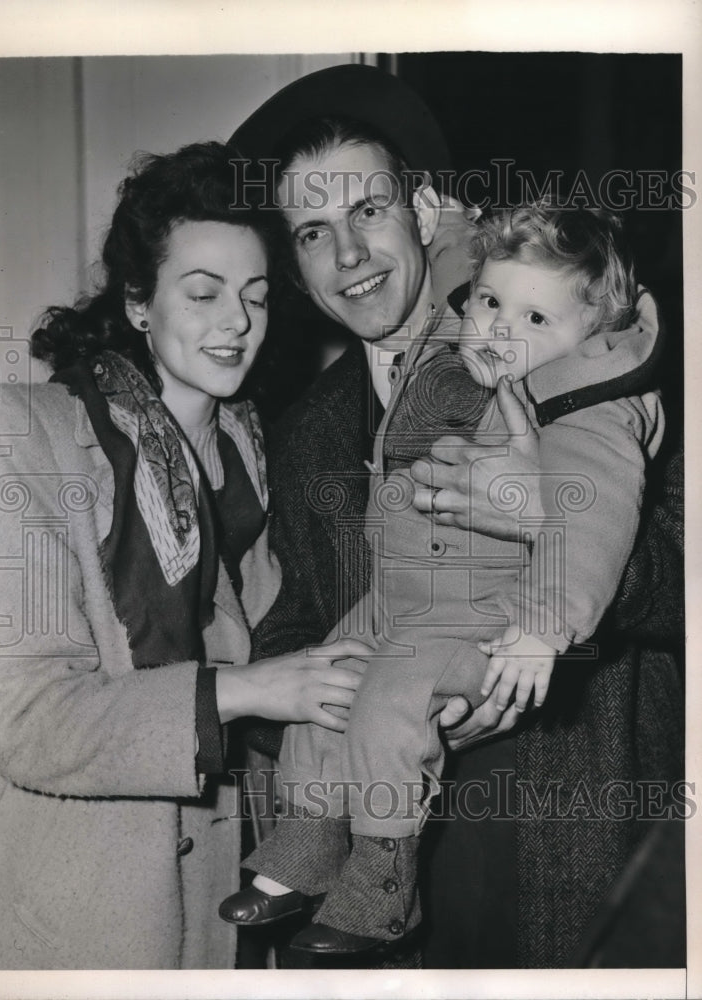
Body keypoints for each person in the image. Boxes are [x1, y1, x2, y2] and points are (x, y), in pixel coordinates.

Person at [223, 65, 684, 968]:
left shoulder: (586, 362)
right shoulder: (301, 432)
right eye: (313, 232)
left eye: (367, 210)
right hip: (380, 875)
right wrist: (290, 686)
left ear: (426, 207)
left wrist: (537, 518)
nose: (347, 254)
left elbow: (677, 574)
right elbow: (298, 621)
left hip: (569, 838)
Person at [0, 140, 370, 970]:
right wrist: (250, 688)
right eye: (203, 293)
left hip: (224, 908)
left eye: (256, 298)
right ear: (138, 301)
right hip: (74, 915)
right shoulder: (23, 431)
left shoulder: (258, 454)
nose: (237, 323)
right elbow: (27, 721)